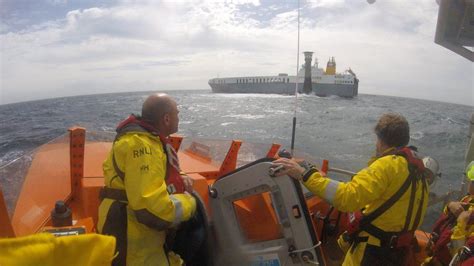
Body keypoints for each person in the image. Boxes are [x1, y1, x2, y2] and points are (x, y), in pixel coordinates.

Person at [273, 113, 429, 265]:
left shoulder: (387, 165)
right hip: (397, 251)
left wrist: (304, 174)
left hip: (373, 253)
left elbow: (346, 198)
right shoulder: (417, 171)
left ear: (381, 140)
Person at [97, 93, 196, 266]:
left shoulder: (149, 140)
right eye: (177, 114)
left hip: (144, 238)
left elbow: (158, 173)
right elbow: (151, 209)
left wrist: (181, 178)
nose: (179, 117)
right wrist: (190, 203)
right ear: (166, 119)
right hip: (132, 242)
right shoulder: (143, 146)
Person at [424, 161, 474, 265]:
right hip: (436, 259)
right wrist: (450, 206)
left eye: (472, 182)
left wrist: (461, 224)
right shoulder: (467, 200)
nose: (470, 185)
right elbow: (445, 224)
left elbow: (459, 257)